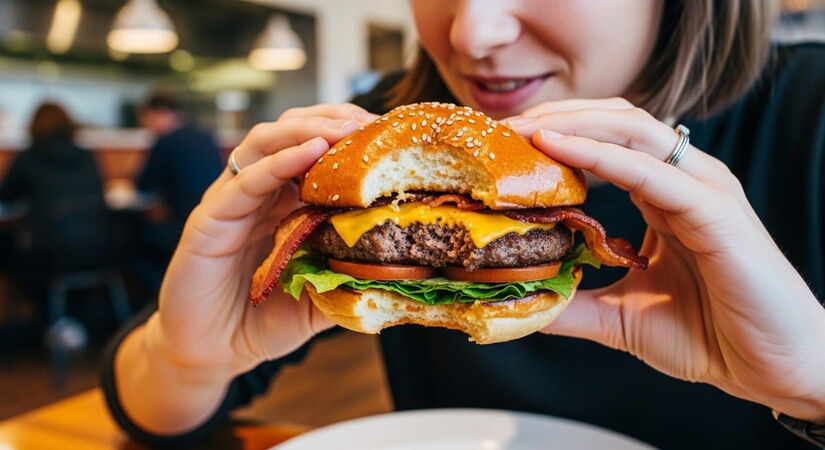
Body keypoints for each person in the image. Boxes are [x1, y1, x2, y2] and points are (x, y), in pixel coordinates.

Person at [101, 1, 825, 448]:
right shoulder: (369, 128)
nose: (472, 31)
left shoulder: (810, 113)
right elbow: (156, 417)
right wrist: (188, 357)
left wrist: (808, 381)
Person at [0, 102, 111, 281]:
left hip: (49, 254)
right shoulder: (87, 156)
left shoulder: (28, 158)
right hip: (98, 249)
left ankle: (31, 305)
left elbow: (6, 197)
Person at [133, 92, 224, 290]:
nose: (147, 126)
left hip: (183, 227)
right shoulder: (205, 136)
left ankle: (161, 296)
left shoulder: (165, 142)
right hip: (217, 226)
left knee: (131, 245)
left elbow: (143, 186)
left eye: (147, 119)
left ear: (158, 114)